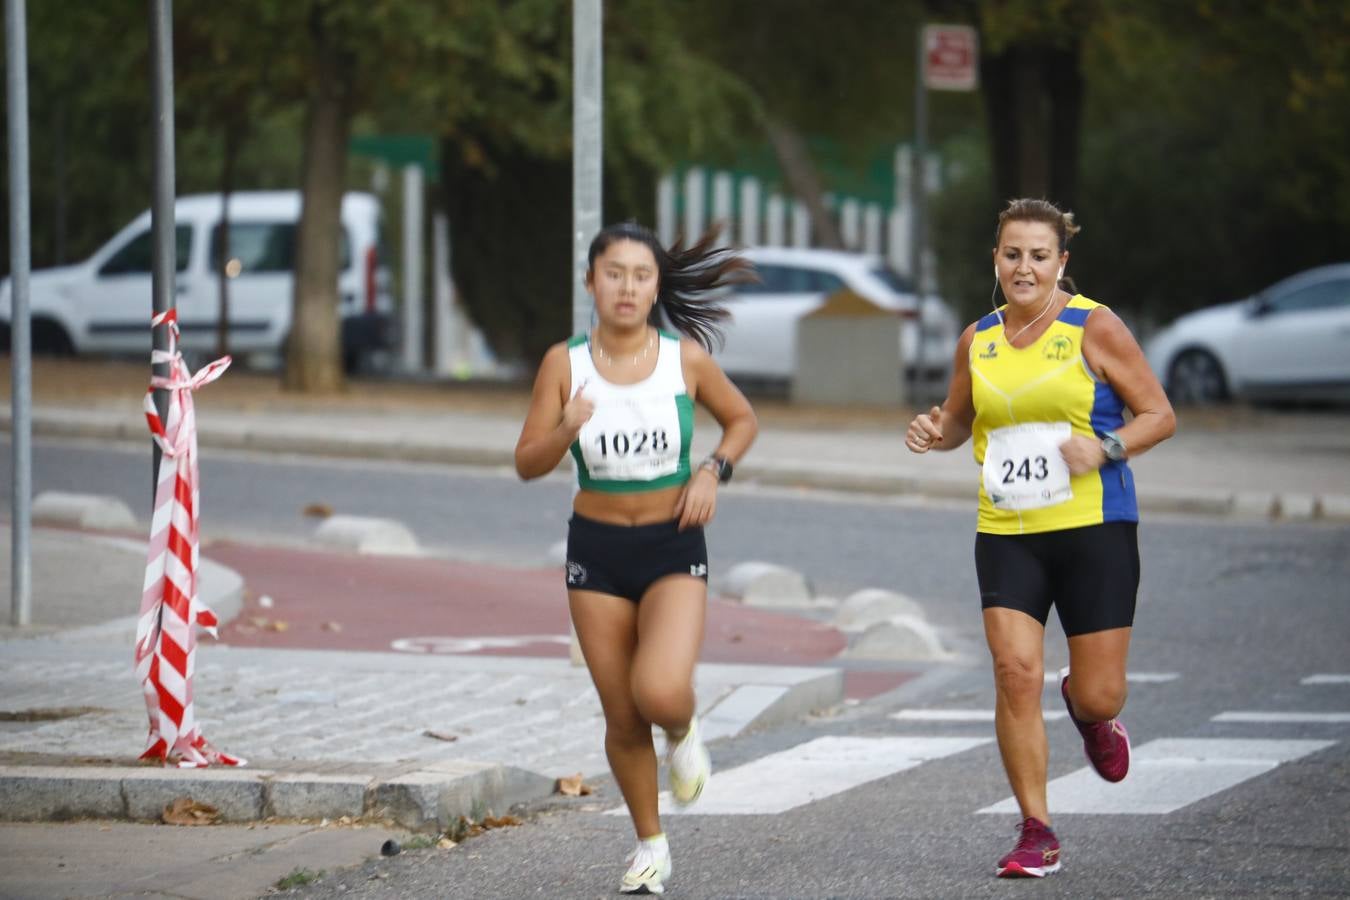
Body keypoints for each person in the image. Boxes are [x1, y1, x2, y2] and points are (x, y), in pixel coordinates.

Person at [905, 198, 1176, 878]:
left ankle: (1091, 716)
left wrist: (1107, 446)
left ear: (1062, 263)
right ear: (995, 259)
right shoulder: (979, 339)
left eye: (1038, 255)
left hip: (1096, 529)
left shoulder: (1096, 327)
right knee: (1013, 673)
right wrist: (933, 434)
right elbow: (960, 421)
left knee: (1100, 692)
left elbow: (1159, 414)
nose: (1024, 267)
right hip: (1008, 530)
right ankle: (1036, 829)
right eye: (1012, 254)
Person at [515, 221, 757, 895]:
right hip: (596, 549)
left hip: (672, 543)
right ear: (590, 281)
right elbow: (526, 463)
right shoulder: (564, 363)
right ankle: (651, 844)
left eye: (640, 275)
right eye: (613, 273)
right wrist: (564, 427)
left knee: (658, 691)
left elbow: (742, 421)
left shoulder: (686, 359)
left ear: (656, 287)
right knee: (622, 713)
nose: (626, 287)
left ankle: (682, 728)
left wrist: (712, 472)